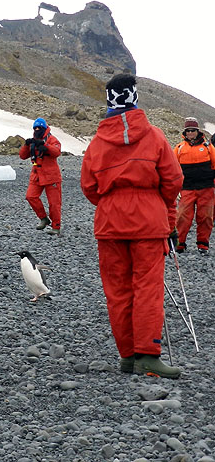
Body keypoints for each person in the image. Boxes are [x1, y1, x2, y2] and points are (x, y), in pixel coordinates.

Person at [81, 73, 184, 379]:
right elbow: (174, 180)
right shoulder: (153, 136)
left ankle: (127, 356)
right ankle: (148, 356)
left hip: (110, 223)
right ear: (134, 97)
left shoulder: (98, 142)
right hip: (148, 222)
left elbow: (89, 187)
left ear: (110, 101)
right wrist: (160, 208)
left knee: (118, 290)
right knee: (147, 288)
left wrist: (112, 203)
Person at [173, 117, 215, 255]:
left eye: (193, 130)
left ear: (198, 131)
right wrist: (175, 187)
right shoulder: (179, 149)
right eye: (188, 130)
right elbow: (173, 169)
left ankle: (203, 244)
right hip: (187, 189)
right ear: (185, 132)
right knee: (183, 217)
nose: (190, 133)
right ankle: (180, 244)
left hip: (206, 188)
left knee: (206, 217)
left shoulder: (209, 148)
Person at [19, 118, 62, 235]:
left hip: (51, 176)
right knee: (30, 196)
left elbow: (57, 151)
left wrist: (46, 147)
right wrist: (26, 145)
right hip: (37, 175)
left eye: (39, 128)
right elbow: (22, 156)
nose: (37, 130)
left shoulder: (52, 139)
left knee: (54, 203)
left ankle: (56, 227)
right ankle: (44, 218)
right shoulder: (33, 141)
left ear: (44, 128)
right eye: (35, 128)